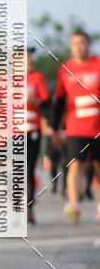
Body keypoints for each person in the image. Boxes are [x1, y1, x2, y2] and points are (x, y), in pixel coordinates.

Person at [50, 30, 100, 224]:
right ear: (71, 47)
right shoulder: (65, 69)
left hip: (97, 126)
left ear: (88, 45)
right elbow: (60, 101)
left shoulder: (97, 65)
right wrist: (55, 129)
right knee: (75, 165)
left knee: (98, 165)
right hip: (75, 128)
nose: (79, 47)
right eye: (75, 44)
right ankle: (74, 205)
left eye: (82, 43)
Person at [24, 47, 51, 224]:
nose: (27, 60)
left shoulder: (37, 77)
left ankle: (29, 208)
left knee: (28, 169)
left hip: (32, 131)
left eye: (29, 56)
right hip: (11, 132)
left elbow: (47, 102)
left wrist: (32, 99)